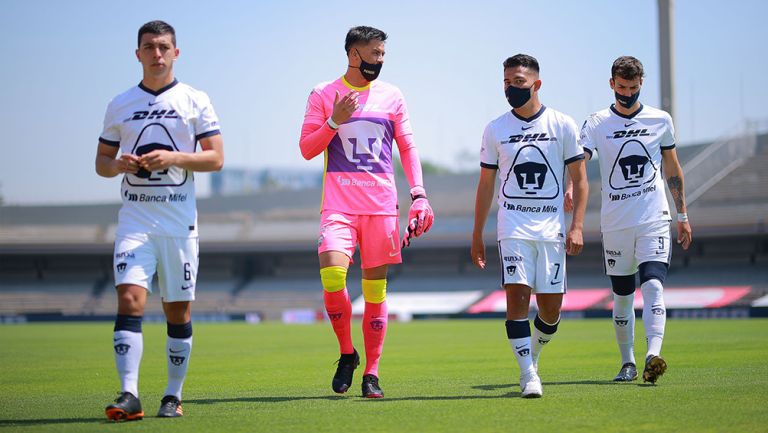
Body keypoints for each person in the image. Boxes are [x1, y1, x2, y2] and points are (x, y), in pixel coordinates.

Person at [95, 20, 224, 420]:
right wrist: (118, 165)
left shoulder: (195, 100)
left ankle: (172, 395)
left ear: (176, 52)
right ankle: (129, 395)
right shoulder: (120, 104)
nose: (157, 54)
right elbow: (101, 163)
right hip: (135, 222)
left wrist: (173, 157)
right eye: (149, 47)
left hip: (178, 225)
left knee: (177, 312)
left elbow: (216, 158)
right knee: (130, 299)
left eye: (164, 46)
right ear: (137, 54)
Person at [299, 25, 434, 398]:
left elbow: (407, 147)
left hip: (380, 209)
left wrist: (419, 194)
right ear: (354, 54)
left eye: (383, 54)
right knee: (331, 274)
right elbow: (307, 149)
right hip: (339, 207)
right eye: (375, 53)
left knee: (375, 292)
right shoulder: (323, 94)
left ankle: (371, 373)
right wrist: (334, 121)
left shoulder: (392, 95)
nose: (380, 60)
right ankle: (347, 353)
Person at [471, 54, 588, 398]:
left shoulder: (562, 124)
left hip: (551, 229)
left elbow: (581, 181)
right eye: (506, 82)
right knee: (518, 298)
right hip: (513, 227)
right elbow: (485, 185)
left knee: (551, 311)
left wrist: (577, 225)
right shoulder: (495, 129)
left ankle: (532, 356)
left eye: (518, 83)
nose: (511, 88)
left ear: (536, 84)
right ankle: (528, 375)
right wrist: (476, 233)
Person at [577, 56, 692, 384]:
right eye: (622, 87)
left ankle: (652, 355)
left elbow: (672, 168)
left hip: (653, 218)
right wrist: (572, 185)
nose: (627, 93)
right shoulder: (597, 123)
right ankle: (626, 362)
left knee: (653, 284)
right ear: (612, 84)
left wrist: (682, 214)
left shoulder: (660, 120)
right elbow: (579, 160)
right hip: (615, 223)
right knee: (623, 296)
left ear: (642, 84)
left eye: (633, 87)